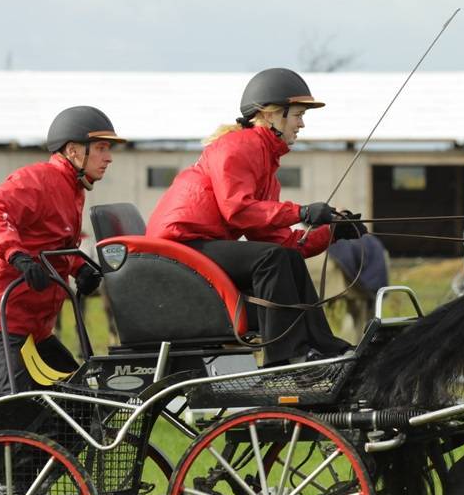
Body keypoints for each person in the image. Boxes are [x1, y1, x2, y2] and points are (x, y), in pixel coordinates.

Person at [146, 68, 366, 366]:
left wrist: (332, 233)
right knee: (271, 259)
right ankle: (284, 357)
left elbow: (283, 243)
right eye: (298, 114)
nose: (302, 124)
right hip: (177, 247)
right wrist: (300, 212)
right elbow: (238, 211)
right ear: (272, 114)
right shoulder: (239, 146)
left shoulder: (266, 164)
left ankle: (321, 345)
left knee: (284, 257)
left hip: (199, 245)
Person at [0, 106, 124, 397]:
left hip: (35, 328)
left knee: (78, 400)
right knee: (10, 408)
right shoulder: (37, 179)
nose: (109, 157)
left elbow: (53, 243)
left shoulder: (73, 189)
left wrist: (79, 267)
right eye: (101, 148)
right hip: (0, 321)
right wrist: (18, 257)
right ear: (74, 151)